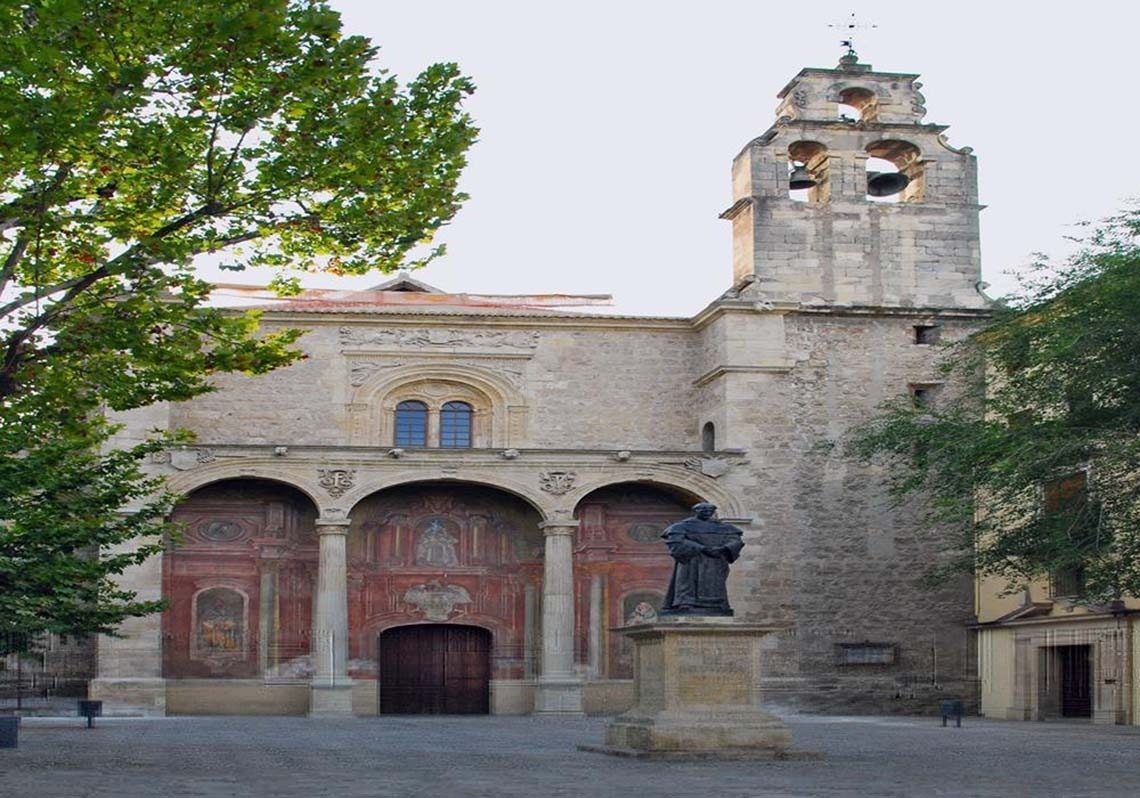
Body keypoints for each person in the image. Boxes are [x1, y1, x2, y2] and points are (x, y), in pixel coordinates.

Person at [660, 502, 743, 616]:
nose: (707, 513)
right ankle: (685, 603)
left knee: (715, 584)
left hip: (716, 561)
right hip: (691, 559)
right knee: (687, 582)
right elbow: (676, 541)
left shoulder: (725, 528)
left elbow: (735, 541)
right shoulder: (681, 526)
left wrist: (723, 548)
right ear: (696, 511)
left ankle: (718, 604)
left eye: (709, 511)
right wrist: (701, 548)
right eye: (703, 511)